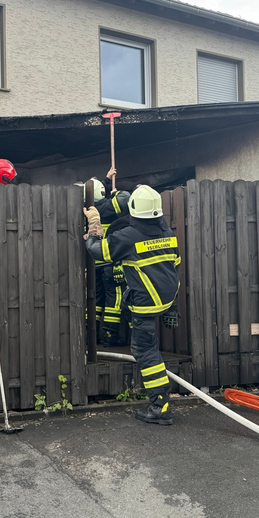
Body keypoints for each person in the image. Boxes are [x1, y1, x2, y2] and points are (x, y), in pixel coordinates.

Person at [84, 185, 180, 425]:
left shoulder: (129, 235)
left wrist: (94, 228)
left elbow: (99, 251)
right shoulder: (166, 231)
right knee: (126, 304)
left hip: (146, 303)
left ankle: (160, 405)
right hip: (167, 297)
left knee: (144, 351)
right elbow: (174, 262)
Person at [80, 172, 130, 346]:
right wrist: (115, 192)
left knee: (95, 298)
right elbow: (125, 198)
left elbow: (93, 192)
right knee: (114, 297)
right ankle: (111, 334)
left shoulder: (86, 210)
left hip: (93, 263)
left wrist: (106, 181)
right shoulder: (106, 207)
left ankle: (90, 333)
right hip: (109, 262)